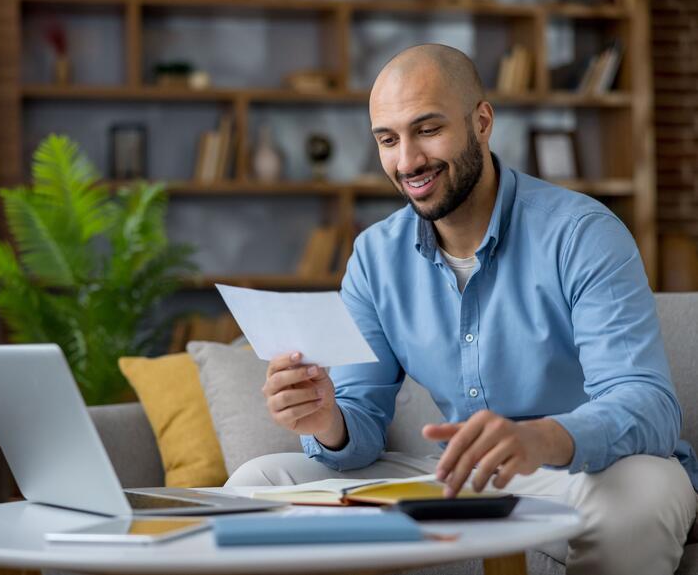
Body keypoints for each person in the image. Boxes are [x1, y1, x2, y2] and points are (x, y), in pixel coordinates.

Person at [226, 44, 698, 574]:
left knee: (648, 491)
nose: (407, 162)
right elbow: (360, 425)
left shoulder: (582, 234)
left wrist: (540, 437)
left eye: (427, 130)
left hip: (574, 473)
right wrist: (327, 420)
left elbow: (648, 403)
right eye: (388, 139)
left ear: (482, 122)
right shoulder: (376, 256)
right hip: (451, 474)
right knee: (257, 483)